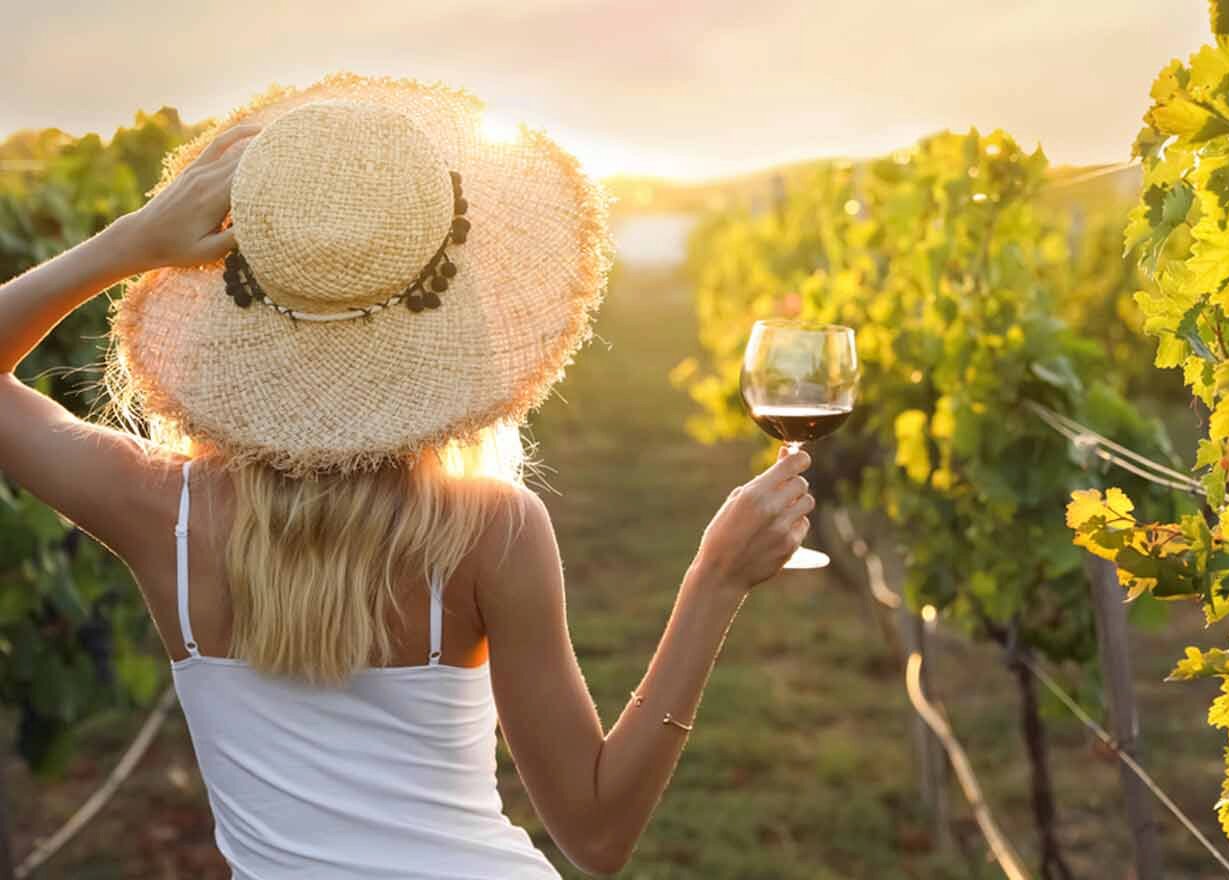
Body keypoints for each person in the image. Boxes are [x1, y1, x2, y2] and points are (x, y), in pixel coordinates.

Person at [0, 72, 813, 878]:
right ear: (447, 317)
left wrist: (133, 243)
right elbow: (597, 836)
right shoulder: (490, 531)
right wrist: (715, 579)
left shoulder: (161, 513)